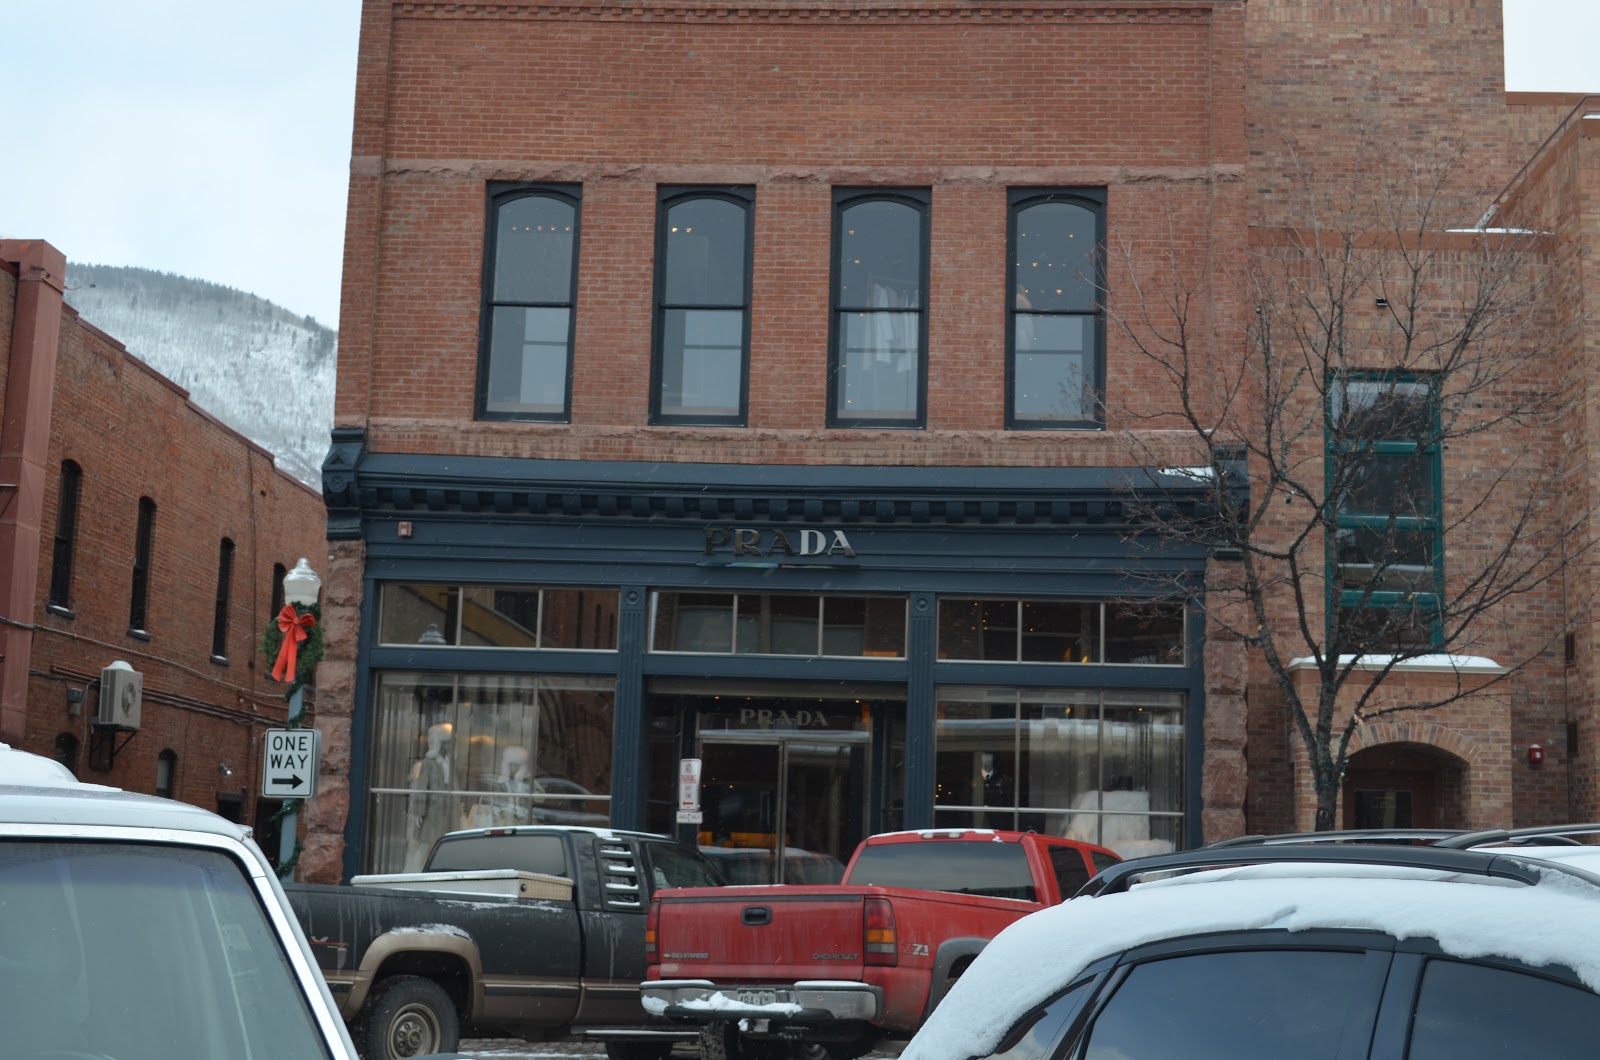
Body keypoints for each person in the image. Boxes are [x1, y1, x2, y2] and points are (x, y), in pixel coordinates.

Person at [404, 723, 453, 871]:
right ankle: (417, 872)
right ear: (439, 743)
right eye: (445, 743)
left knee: (443, 844)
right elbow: (422, 787)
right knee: (426, 845)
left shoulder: (449, 762)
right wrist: (419, 811)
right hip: (431, 811)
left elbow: (453, 785)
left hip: (445, 811)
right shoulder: (428, 763)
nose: (448, 746)